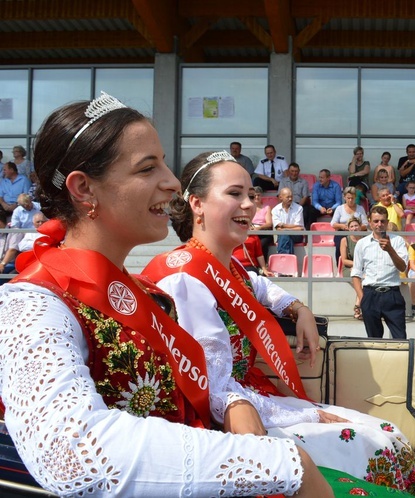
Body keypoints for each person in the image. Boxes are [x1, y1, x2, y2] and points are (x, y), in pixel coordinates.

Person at [0, 93, 333, 497]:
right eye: (147, 167)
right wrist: (283, 463)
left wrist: (231, 403)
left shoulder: (148, 294)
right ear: (84, 188)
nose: (172, 181)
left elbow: (193, 385)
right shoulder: (31, 305)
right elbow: (72, 452)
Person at [144, 151, 415, 495]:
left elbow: (265, 288)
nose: (248, 205)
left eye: (251, 195)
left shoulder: (230, 269)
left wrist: (299, 309)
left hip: (251, 396)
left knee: (387, 431)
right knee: (373, 440)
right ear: (197, 204)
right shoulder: (186, 277)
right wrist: (308, 416)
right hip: (221, 420)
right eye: (234, 194)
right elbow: (213, 387)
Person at [351, 205, 409, 340]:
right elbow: (356, 273)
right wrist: (362, 297)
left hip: (392, 293)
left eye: (383, 221)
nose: (379, 224)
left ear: (387, 222)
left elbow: (402, 267)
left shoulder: (397, 241)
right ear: (370, 222)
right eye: (376, 221)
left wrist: (390, 250)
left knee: (400, 339)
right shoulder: (362, 244)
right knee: (374, 341)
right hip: (370, 294)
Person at [331, 186, 368, 262]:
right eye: (348, 198)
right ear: (344, 197)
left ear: (355, 197)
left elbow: (366, 224)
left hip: (358, 233)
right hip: (343, 232)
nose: (350, 200)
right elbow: (333, 223)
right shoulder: (339, 208)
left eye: (352, 198)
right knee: (339, 246)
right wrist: (342, 226)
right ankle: (340, 266)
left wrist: (357, 228)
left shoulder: (360, 208)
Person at [340, 217, 364, 319]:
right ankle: (360, 307)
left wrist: (359, 267)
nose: (354, 228)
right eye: (352, 226)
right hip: (349, 267)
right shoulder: (344, 240)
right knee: (360, 279)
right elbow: (344, 260)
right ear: (349, 228)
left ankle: (357, 306)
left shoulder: (364, 239)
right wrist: (355, 265)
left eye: (356, 226)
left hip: (363, 268)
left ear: (360, 227)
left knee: (364, 279)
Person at [278, 162, 313, 228]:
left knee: (307, 212)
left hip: (300, 204)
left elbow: (305, 197)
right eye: (292, 171)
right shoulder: (283, 181)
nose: (294, 173)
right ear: (288, 171)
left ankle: (305, 233)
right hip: (286, 204)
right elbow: (280, 196)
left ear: (299, 171)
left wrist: (297, 207)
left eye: (296, 171)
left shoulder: (304, 182)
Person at [271, 187, 305, 254]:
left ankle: (282, 257)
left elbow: (300, 229)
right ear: (281, 197)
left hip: (297, 235)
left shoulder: (299, 208)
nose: (290, 199)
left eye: (291, 196)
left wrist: (283, 226)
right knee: (286, 236)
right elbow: (278, 229)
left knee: (284, 234)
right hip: (283, 235)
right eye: (288, 197)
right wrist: (292, 227)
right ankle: (289, 257)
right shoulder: (275, 210)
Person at [249, 185, 274, 260]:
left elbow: (269, 223)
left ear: (261, 196)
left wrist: (259, 228)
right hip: (252, 230)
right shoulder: (249, 208)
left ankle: (263, 264)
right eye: (255, 195)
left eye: (258, 195)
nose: (256, 197)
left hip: (264, 232)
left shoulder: (266, 207)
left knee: (261, 244)